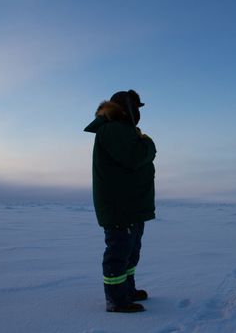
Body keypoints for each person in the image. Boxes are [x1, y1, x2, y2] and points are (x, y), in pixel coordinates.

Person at [84, 89, 156, 313]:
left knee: (131, 252)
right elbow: (135, 157)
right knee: (118, 252)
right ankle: (116, 299)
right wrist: (149, 143)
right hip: (119, 205)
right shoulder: (113, 129)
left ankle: (126, 290)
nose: (138, 112)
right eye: (136, 107)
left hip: (130, 205)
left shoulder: (122, 129)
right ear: (127, 109)